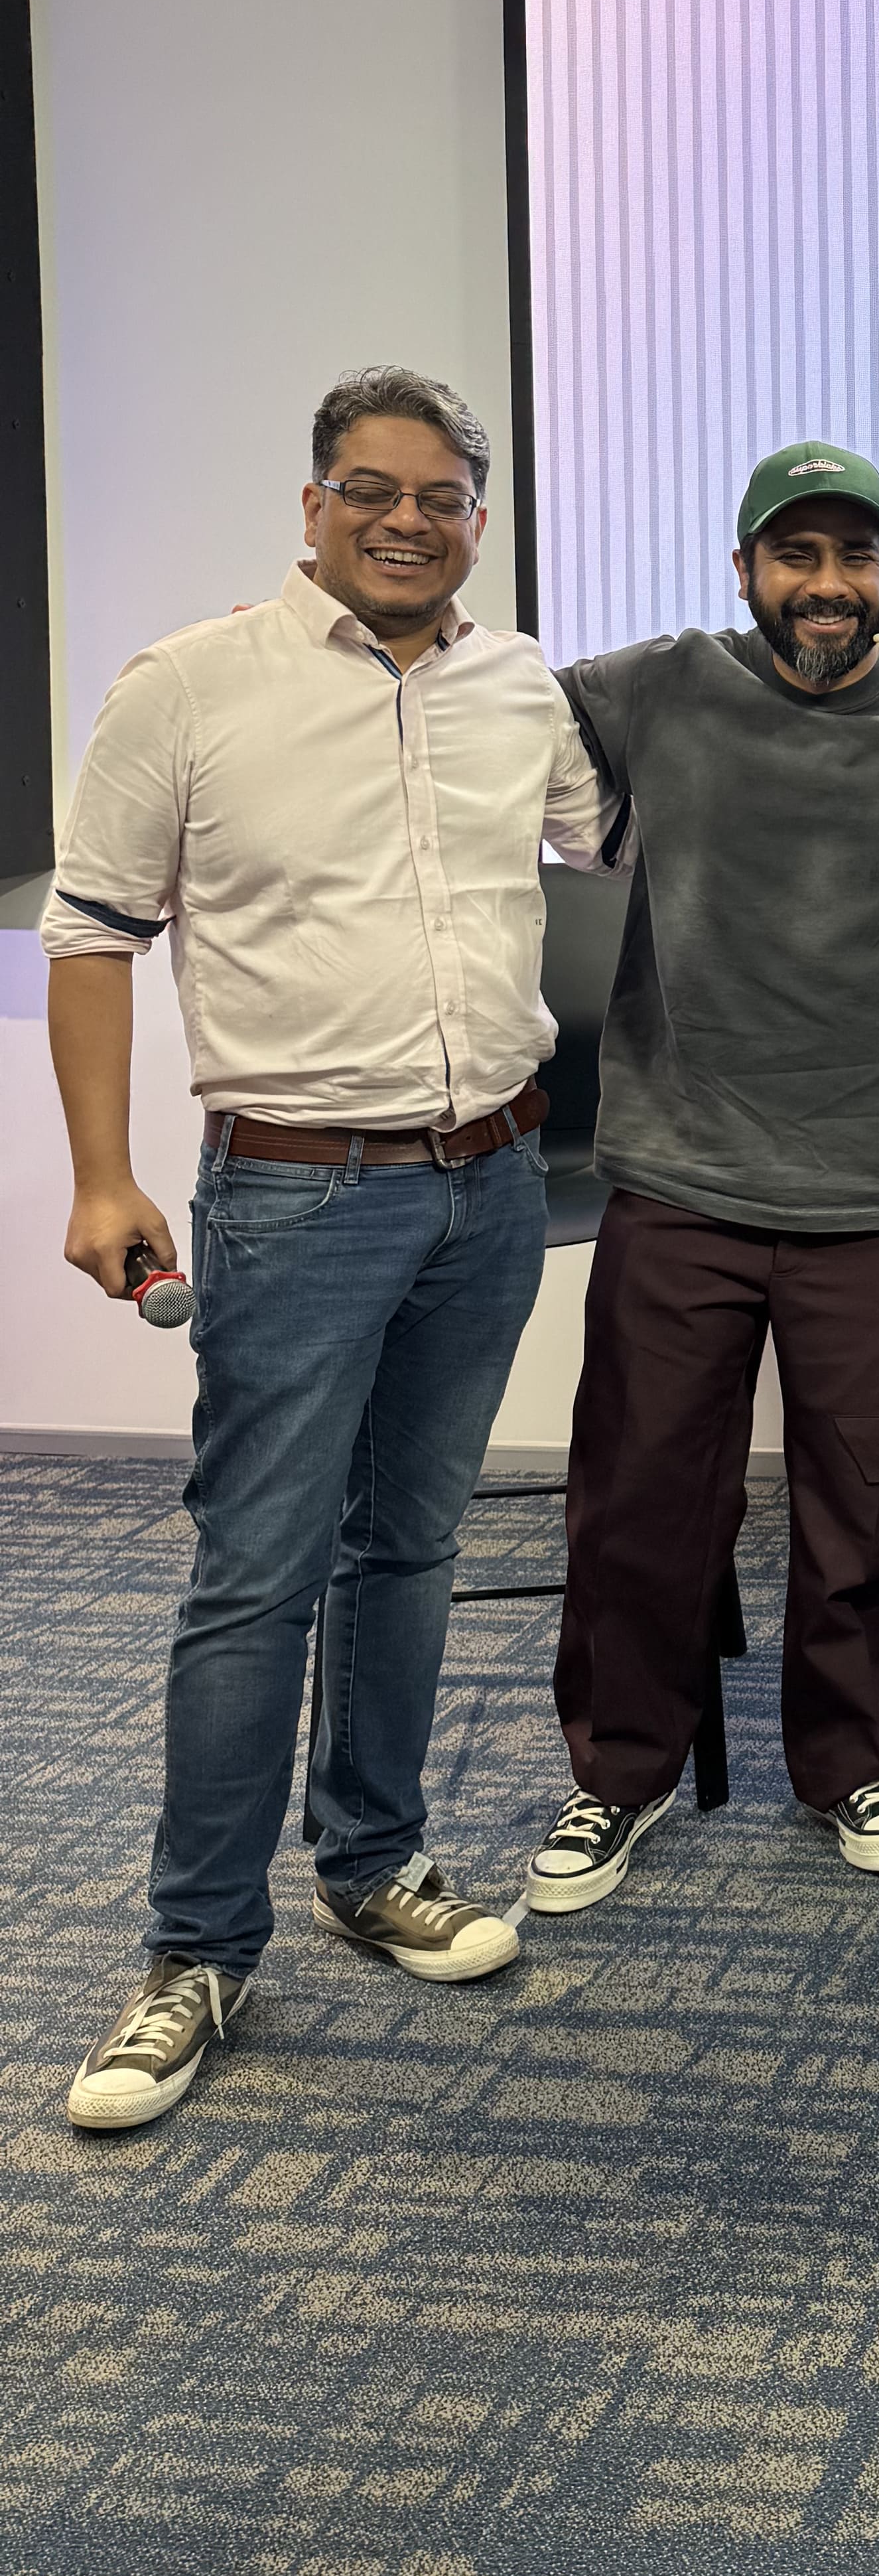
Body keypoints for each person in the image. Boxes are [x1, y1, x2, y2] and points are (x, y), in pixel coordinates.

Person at [44, 368, 606, 2135]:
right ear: (313, 506)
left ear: (478, 524)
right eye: (372, 490)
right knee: (255, 1576)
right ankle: (195, 1950)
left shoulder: (521, 689)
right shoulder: (190, 685)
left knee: (410, 1547)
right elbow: (90, 931)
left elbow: (627, 845)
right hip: (293, 1197)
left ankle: (372, 1864)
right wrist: (100, 1177)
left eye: (441, 499)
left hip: (488, 1186)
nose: (406, 522)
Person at [524, 443, 879, 1915]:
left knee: (869, 1504)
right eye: (796, 556)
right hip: (683, 1170)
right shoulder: (653, 689)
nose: (827, 584)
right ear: (745, 570)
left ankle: (855, 1762)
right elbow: (475, 716)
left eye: (854, 557)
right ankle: (620, 1770)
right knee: (637, 1494)